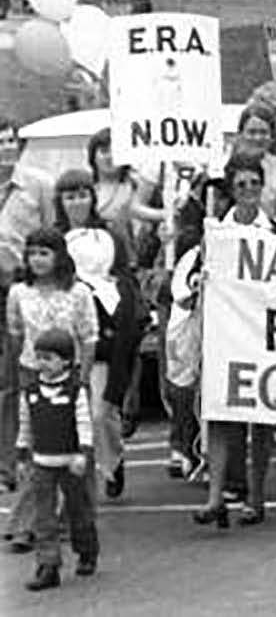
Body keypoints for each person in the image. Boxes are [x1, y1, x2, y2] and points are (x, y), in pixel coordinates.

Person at [192, 152, 276, 530]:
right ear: (231, 189)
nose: (248, 190)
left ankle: (256, 497)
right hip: (226, 334)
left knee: (260, 421)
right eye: (240, 184)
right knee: (223, 417)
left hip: (262, 335)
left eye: (254, 183)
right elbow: (195, 277)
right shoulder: (214, 233)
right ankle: (216, 497)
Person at [5, 228, 95, 554]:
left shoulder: (78, 292)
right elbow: (16, 334)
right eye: (32, 253)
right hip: (33, 373)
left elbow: (88, 337)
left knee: (74, 448)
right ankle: (26, 525)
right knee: (36, 453)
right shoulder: (19, 293)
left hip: (69, 376)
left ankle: (78, 519)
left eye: (45, 252)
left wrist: (81, 379)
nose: (38, 260)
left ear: (59, 256)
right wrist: (21, 375)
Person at [52, 168, 139, 500]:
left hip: (105, 334)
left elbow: (123, 278)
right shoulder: (54, 238)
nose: (77, 201)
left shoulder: (109, 236)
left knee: (102, 412)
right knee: (72, 415)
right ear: (60, 201)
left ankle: (113, 459)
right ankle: (78, 484)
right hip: (67, 338)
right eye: (70, 195)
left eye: (83, 194)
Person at [15, 327, 98, 591]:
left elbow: (84, 423)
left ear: (66, 360)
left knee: (78, 510)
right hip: (42, 463)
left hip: (71, 462)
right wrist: (21, 455)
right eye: (39, 358)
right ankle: (48, 565)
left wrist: (84, 453)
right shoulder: (30, 392)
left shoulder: (75, 391)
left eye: (49, 358)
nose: (43, 363)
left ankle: (86, 549)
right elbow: (25, 425)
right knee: (44, 517)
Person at [233, 107, 276, 230]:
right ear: (241, 134)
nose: (258, 138)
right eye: (252, 132)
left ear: (272, 136)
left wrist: (263, 230)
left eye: (263, 132)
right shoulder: (226, 168)